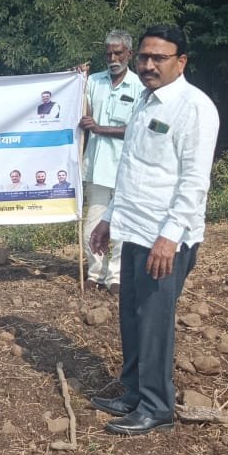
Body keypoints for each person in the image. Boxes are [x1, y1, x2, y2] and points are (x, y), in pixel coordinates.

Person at [89, 24, 219, 435]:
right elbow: (131, 168)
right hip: (135, 228)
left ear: (181, 61)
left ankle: (158, 406)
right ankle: (132, 391)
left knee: (154, 321)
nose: (148, 65)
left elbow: (195, 182)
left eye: (158, 58)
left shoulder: (194, 108)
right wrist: (109, 217)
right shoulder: (144, 102)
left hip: (165, 237)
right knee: (131, 314)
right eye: (144, 57)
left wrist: (170, 237)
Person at [81, 30, 137, 296]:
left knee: (122, 226)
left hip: (126, 169)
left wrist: (100, 129)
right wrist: (76, 81)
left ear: (130, 54)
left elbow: (136, 129)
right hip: (96, 166)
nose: (113, 58)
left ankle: (115, 277)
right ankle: (95, 273)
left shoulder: (140, 87)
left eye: (118, 53)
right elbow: (83, 114)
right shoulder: (93, 82)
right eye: (109, 53)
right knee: (92, 224)